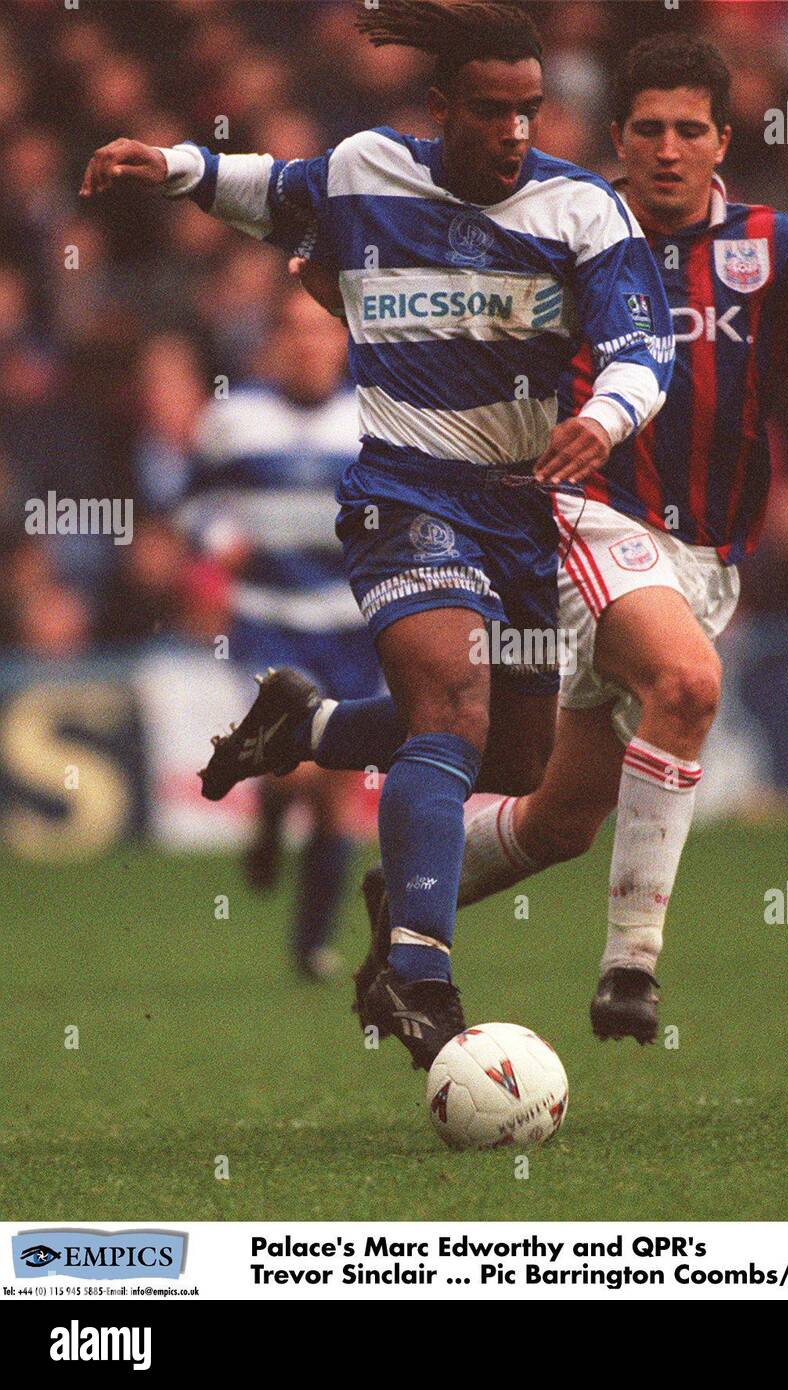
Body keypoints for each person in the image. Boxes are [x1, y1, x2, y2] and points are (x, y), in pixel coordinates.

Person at [79, 1, 673, 1069]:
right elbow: (270, 187)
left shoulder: (584, 212)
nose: (514, 131)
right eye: (490, 110)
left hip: (521, 508)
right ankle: (420, 970)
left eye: (529, 109)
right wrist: (166, 162)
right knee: (448, 708)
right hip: (403, 494)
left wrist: (603, 414)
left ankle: (303, 728)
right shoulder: (366, 170)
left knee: (516, 754)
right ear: (439, 106)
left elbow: (642, 344)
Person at [349, 32, 788, 1044]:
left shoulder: (777, 247)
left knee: (559, 819)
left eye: (688, 130)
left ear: (721, 140)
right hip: (583, 523)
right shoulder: (565, 225)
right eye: (647, 129)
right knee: (689, 685)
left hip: (706, 558)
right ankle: (630, 972)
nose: (667, 148)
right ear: (616, 134)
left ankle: (405, 892)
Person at [176, 291, 384, 981]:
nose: (308, 345)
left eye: (320, 331)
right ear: (274, 341)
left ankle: (310, 946)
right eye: (293, 331)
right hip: (268, 616)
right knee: (296, 766)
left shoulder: (371, 417)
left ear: (340, 340)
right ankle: (270, 805)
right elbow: (191, 502)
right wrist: (216, 537)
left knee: (337, 786)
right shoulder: (234, 420)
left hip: (350, 623)